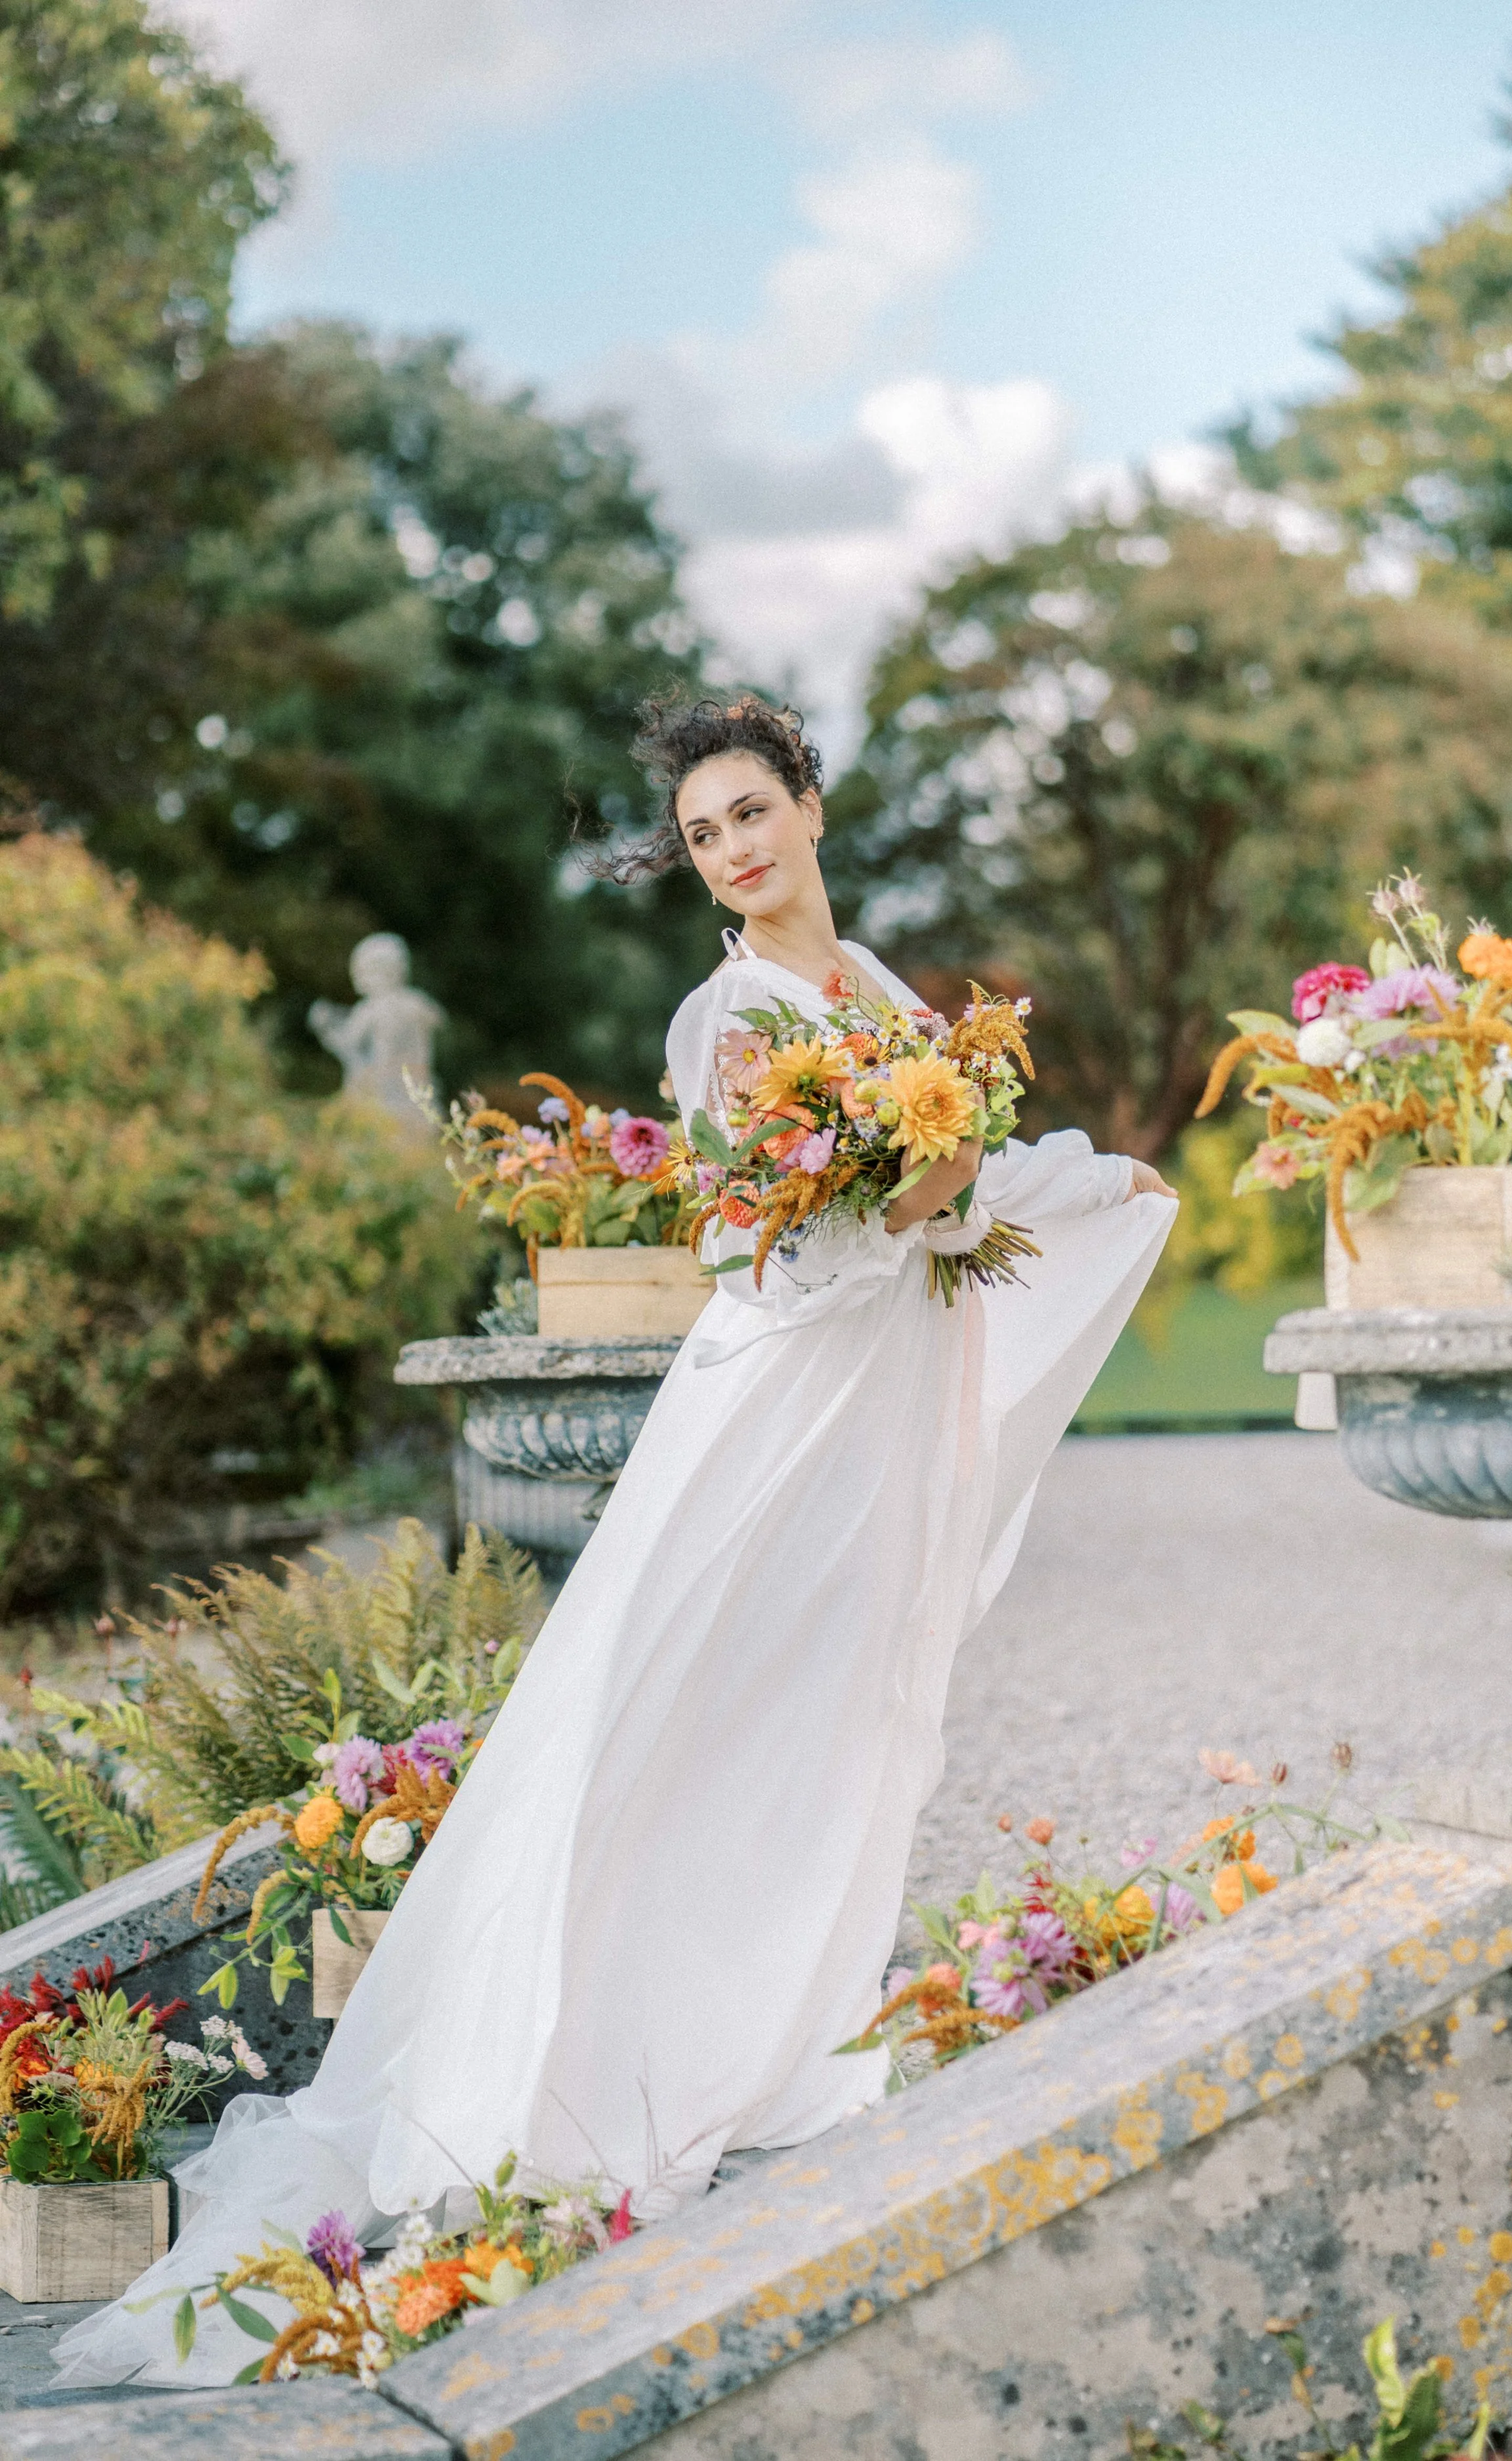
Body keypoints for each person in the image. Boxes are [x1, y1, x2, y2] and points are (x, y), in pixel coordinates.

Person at [57, 694, 1175, 2388]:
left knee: (843, 1707)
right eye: (706, 832)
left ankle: (791, 2018)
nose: (734, 848)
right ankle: (597, 2056)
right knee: (673, 1705)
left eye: (752, 811)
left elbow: (950, 1194)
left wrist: (1048, 1187)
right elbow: (787, 1255)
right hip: (775, 1410)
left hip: (878, 1414)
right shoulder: (724, 1024)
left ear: (809, 802)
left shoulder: (870, 990)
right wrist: (925, 1195)